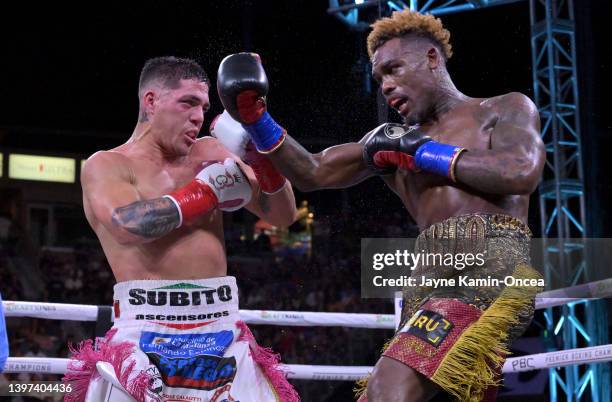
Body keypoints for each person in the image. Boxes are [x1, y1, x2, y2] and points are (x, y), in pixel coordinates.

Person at [214, 9, 545, 402]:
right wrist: (256, 117)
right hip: (428, 282)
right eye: (379, 79)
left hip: (490, 269)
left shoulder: (501, 108)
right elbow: (314, 171)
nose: (386, 86)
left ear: (432, 58)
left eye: (394, 69)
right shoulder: (390, 140)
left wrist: (423, 153)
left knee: (389, 389)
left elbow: (521, 169)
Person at [64, 56, 299, 402]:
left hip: (220, 330)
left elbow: (282, 214)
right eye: (187, 102)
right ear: (151, 101)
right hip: (144, 334)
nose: (198, 116)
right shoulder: (109, 165)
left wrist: (264, 161)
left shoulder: (208, 152)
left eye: (203, 107)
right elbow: (129, 225)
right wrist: (205, 193)